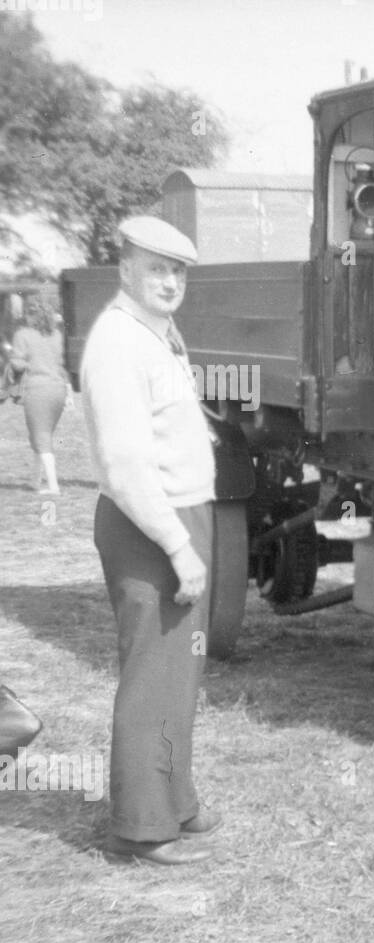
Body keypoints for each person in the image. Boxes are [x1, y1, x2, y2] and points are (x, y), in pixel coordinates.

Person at [81, 215, 221, 866]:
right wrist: (178, 546)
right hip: (151, 525)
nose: (169, 282)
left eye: (178, 271)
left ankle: (176, 801)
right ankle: (142, 829)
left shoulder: (154, 332)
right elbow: (127, 469)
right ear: (125, 271)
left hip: (179, 515)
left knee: (178, 669)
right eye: (156, 268)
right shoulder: (117, 340)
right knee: (153, 674)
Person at [8, 293, 71, 494]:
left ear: (29, 314)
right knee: (42, 435)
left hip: (37, 390)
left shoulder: (22, 335)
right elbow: (61, 363)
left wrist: (13, 361)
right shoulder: (57, 335)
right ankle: (36, 479)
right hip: (58, 389)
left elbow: (17, 364)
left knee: (41, 438)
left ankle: (52, 486)